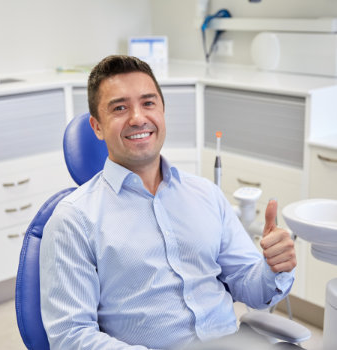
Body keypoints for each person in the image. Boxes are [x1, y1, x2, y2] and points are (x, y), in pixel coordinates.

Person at [40, 55, 297, 350]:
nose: (138, 118)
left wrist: (273, 268)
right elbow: (70, 336)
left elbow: (247, 284)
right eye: (120, 108)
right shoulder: (73, 219)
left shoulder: (206, 194)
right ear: (97, 127)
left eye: (148, 103)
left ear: (163, 112)